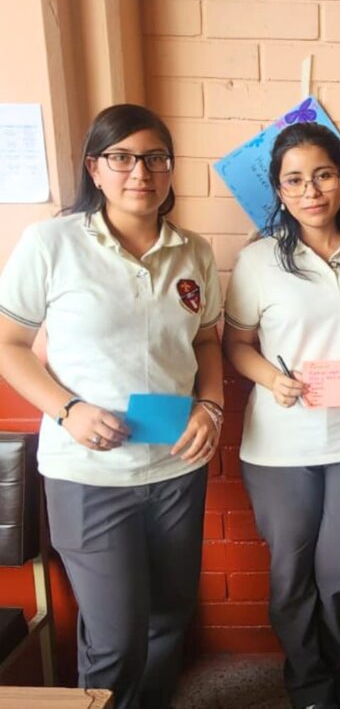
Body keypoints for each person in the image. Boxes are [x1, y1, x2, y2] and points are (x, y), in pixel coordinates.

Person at [0, 104, 224, 709]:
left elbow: (206, 341)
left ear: (171, 168)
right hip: (89, 476)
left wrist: (211, 407)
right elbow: (8, 344)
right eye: (121, 158)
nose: (140, 173)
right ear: (94, 168)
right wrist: (68, 409)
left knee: (169, 618)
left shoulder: (194, 252)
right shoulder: (52, 242)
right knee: (117, 640)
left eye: (155, 158)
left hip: (177, 466)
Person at [223, 122, 340, 709]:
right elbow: (235, 343)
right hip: (279, 447)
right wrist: (273, 380)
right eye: (294, 180)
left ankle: (336, 670)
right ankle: (310, 685)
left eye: (322, 176)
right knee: (292, 577)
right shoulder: (258, 260)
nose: (310, 191)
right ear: (280, 191)